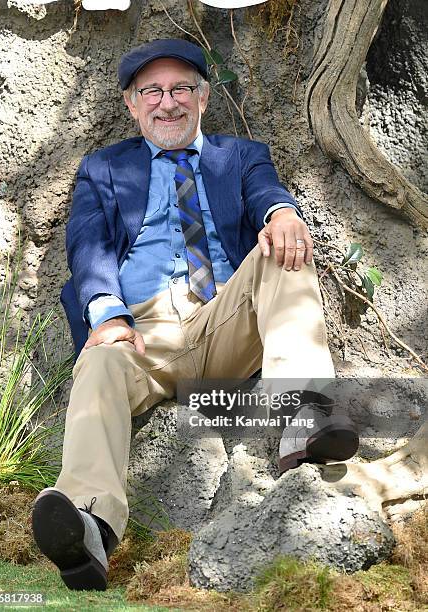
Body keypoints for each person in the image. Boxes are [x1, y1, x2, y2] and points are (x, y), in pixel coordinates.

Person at [32, 38, 358, 591]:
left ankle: (305, 417)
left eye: (180, 88)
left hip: (223, 318)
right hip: (142, 333)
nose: (168, 103)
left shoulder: (241, 154)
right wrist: (107, 316)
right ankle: (90, 526)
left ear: (203, 98)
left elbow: (266, 192)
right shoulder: (103, 168)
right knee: (100, 362)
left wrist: (282, 213)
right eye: (151, 92)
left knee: (283, 245)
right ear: (132, 106)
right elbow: (87, 248)